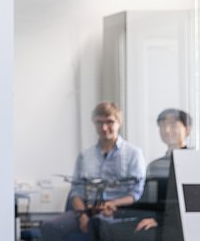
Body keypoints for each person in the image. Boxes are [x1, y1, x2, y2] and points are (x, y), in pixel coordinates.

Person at [41, 102, 146, 241]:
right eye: (99, 123)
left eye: (109, 122)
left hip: (117, 211)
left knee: (99, 227)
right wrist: (83, 215)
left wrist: (113, 204)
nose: (104, 128)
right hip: (88, 210)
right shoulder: (85, 155)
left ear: (119, 122)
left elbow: (136, 193)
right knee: (50, 226)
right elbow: (76, 191)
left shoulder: (134, 154)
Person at [99, 108, 191, 241]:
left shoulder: (193, 162)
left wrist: (160, 220)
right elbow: (148, 201)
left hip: (177, 223)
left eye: (173, 125)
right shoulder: (155, 166)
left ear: (187, 129)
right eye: (163, 125)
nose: (167, 130)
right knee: (107, 228)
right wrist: (116, 208)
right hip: (154, 217)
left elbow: (191, 204)